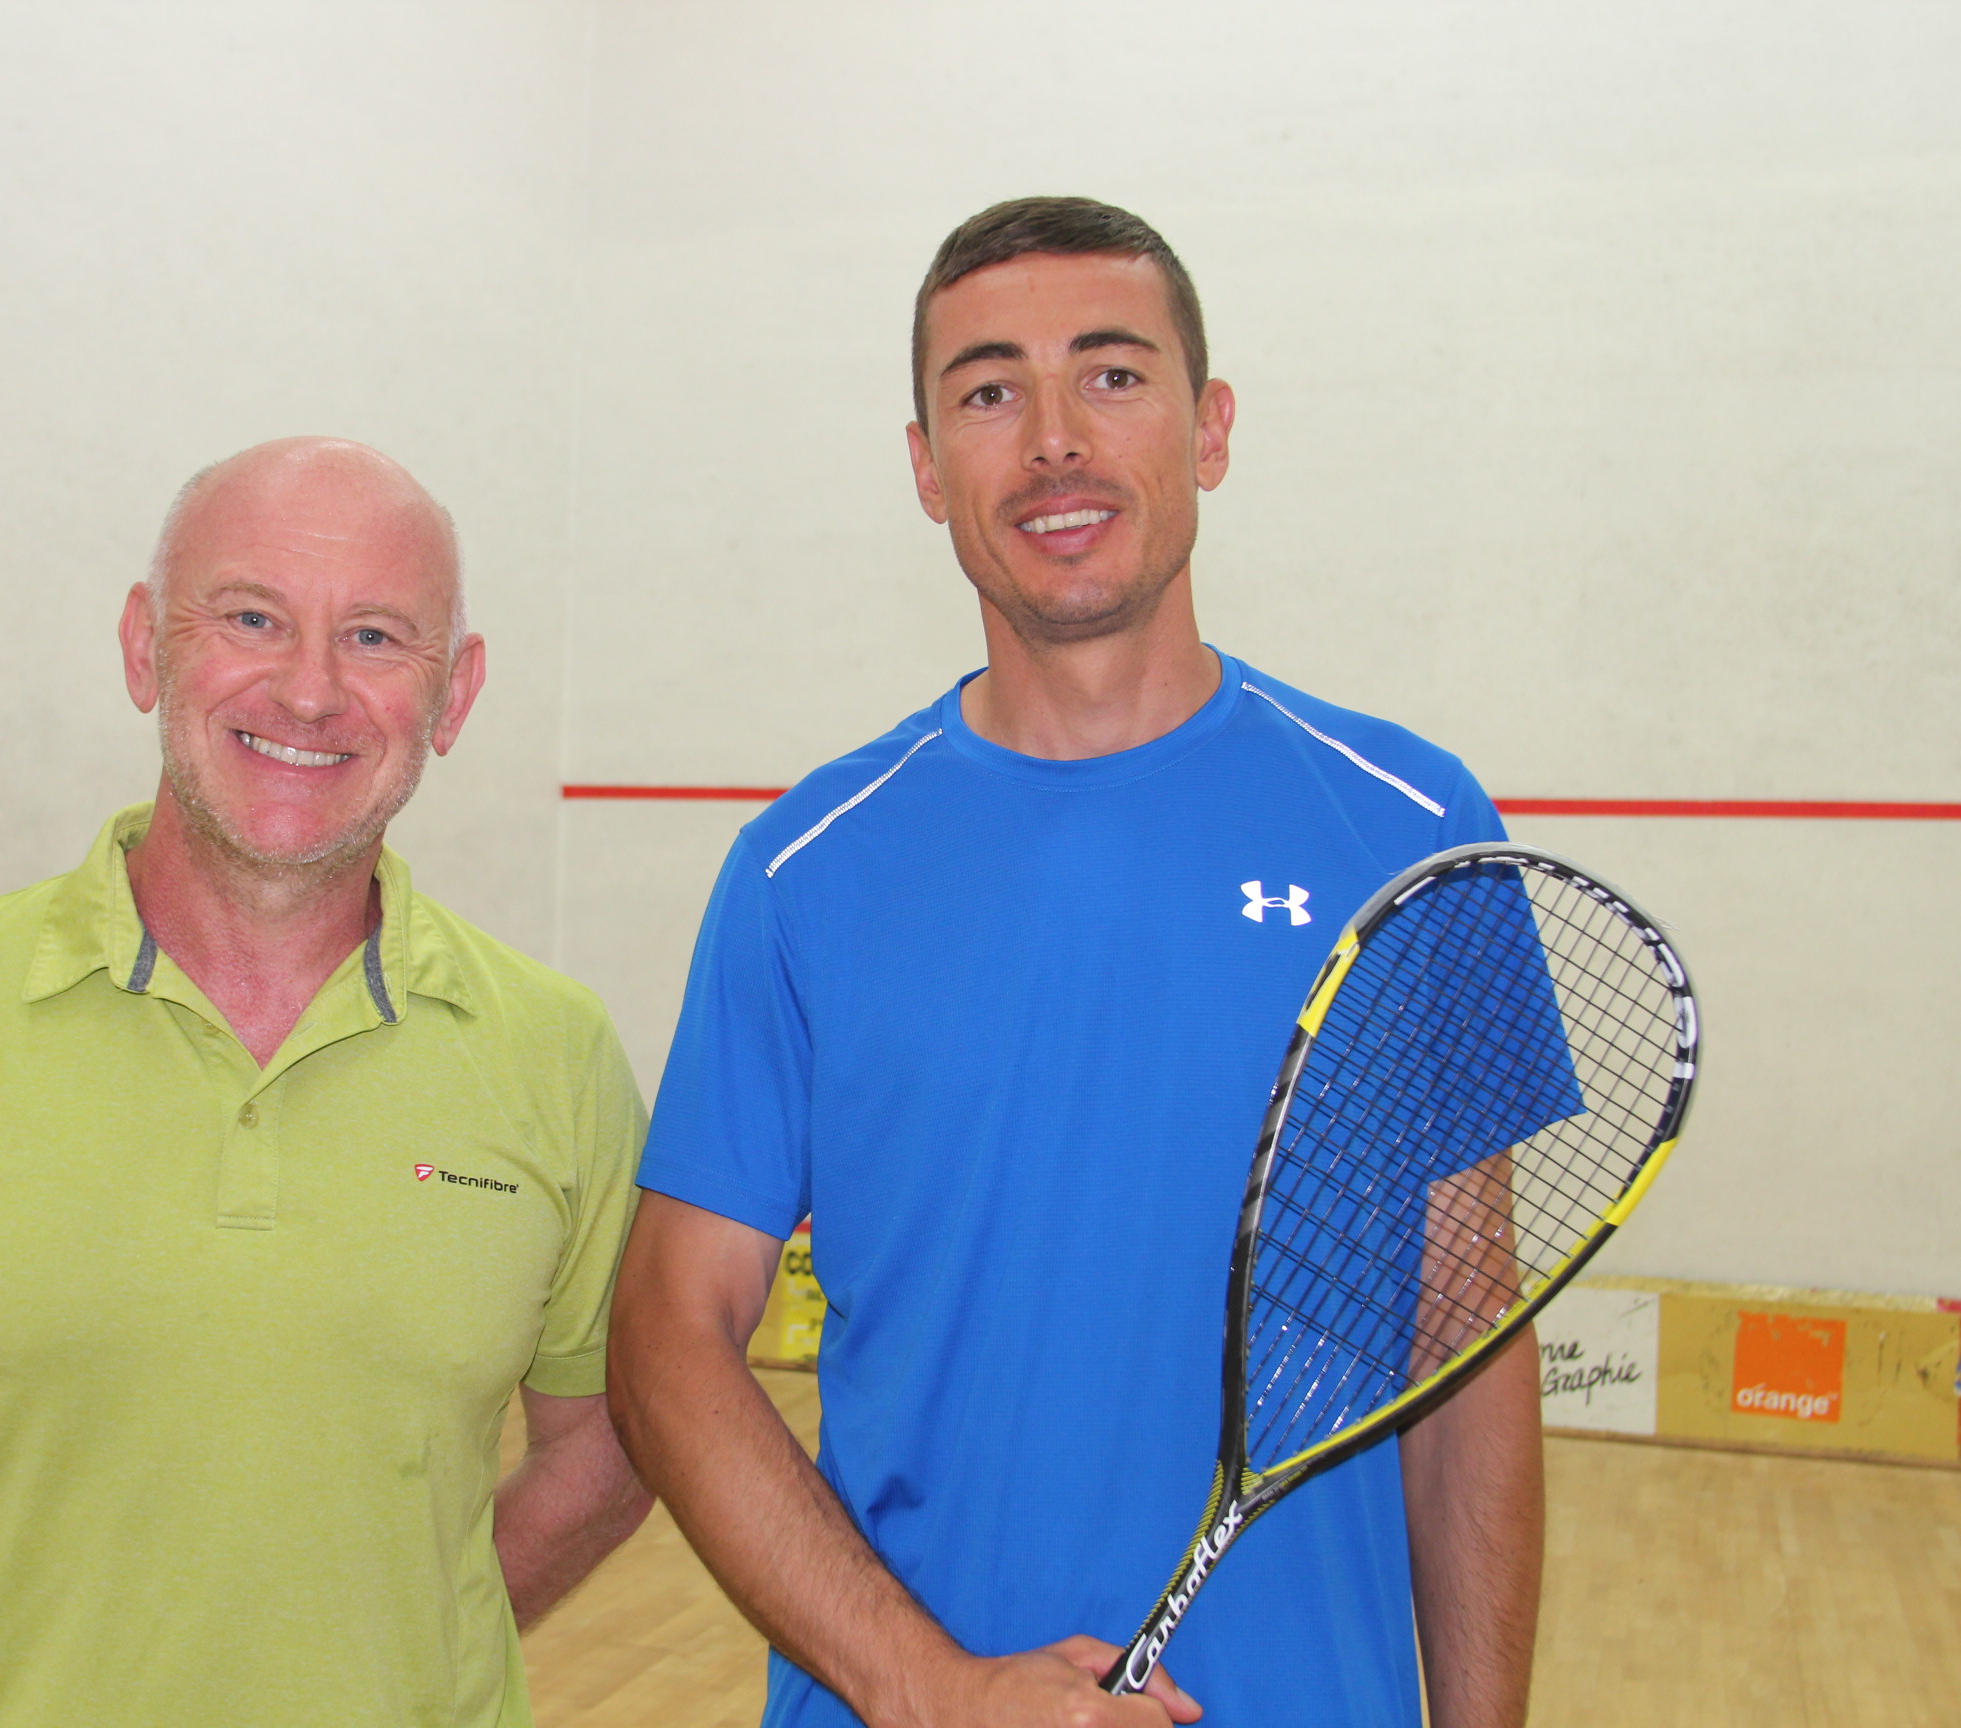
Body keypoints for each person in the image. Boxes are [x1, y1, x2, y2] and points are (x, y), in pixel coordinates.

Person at [608, 199, 1546, 1728]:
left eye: (1112, 376)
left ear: (1210, 428)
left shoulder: (1414, 829)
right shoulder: (801, 871)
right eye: (989, 392)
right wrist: (932, 1689)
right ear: (927, 467)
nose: (1054, 440)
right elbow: (666, 1336)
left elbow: (1467, 1338)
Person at [0, 438, 653, 1728]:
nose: (310, 691)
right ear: (144, 647)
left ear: (456, 693)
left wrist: (414, 1659)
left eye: (376, 637)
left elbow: (606, 1444)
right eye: (252, 618)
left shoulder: (559, 1052)